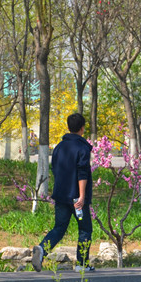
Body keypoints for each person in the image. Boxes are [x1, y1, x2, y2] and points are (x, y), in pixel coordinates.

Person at [31, 113, 94, 273]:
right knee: (85, 229)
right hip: (76, 200)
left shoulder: (59, 147)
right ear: (82, 128)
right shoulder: (83, 147)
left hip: (61, 196)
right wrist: (81, 196)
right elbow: (82, 173)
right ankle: (82, 264)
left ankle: (42, 249)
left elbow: (56, 170)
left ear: (68, 127)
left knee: (59, 227)